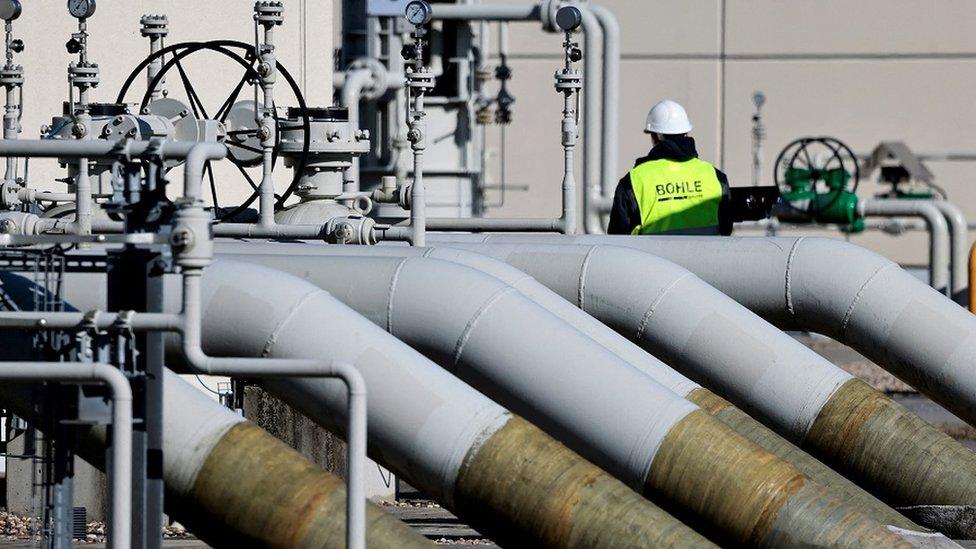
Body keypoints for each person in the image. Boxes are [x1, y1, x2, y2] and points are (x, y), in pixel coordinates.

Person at [608, 100, 732, 235]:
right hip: (706, 255)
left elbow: (617, 238)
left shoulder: (634, 180)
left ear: (655, 136)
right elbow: (726, 229)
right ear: (686, 133)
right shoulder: (714, 176)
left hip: (651, 256)